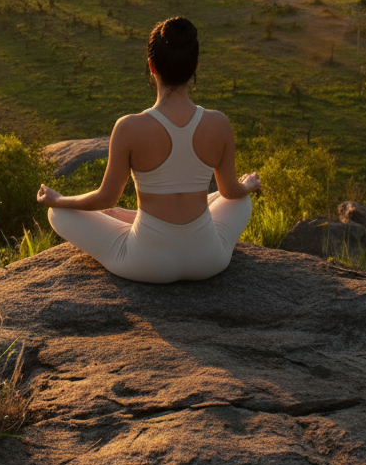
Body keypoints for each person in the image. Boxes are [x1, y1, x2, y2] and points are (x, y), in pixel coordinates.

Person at [36, 16, 260, 284]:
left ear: (152, 66)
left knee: (57, 214)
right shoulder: (219, 123)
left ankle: (128, 218)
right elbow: (229, 192)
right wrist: (248, 186)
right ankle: (131, 217)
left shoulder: (129, 127)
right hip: (209, 259)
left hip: (146, 263)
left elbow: (105, 198)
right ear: (195, 67)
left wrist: (58, 200)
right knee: (240, 200)